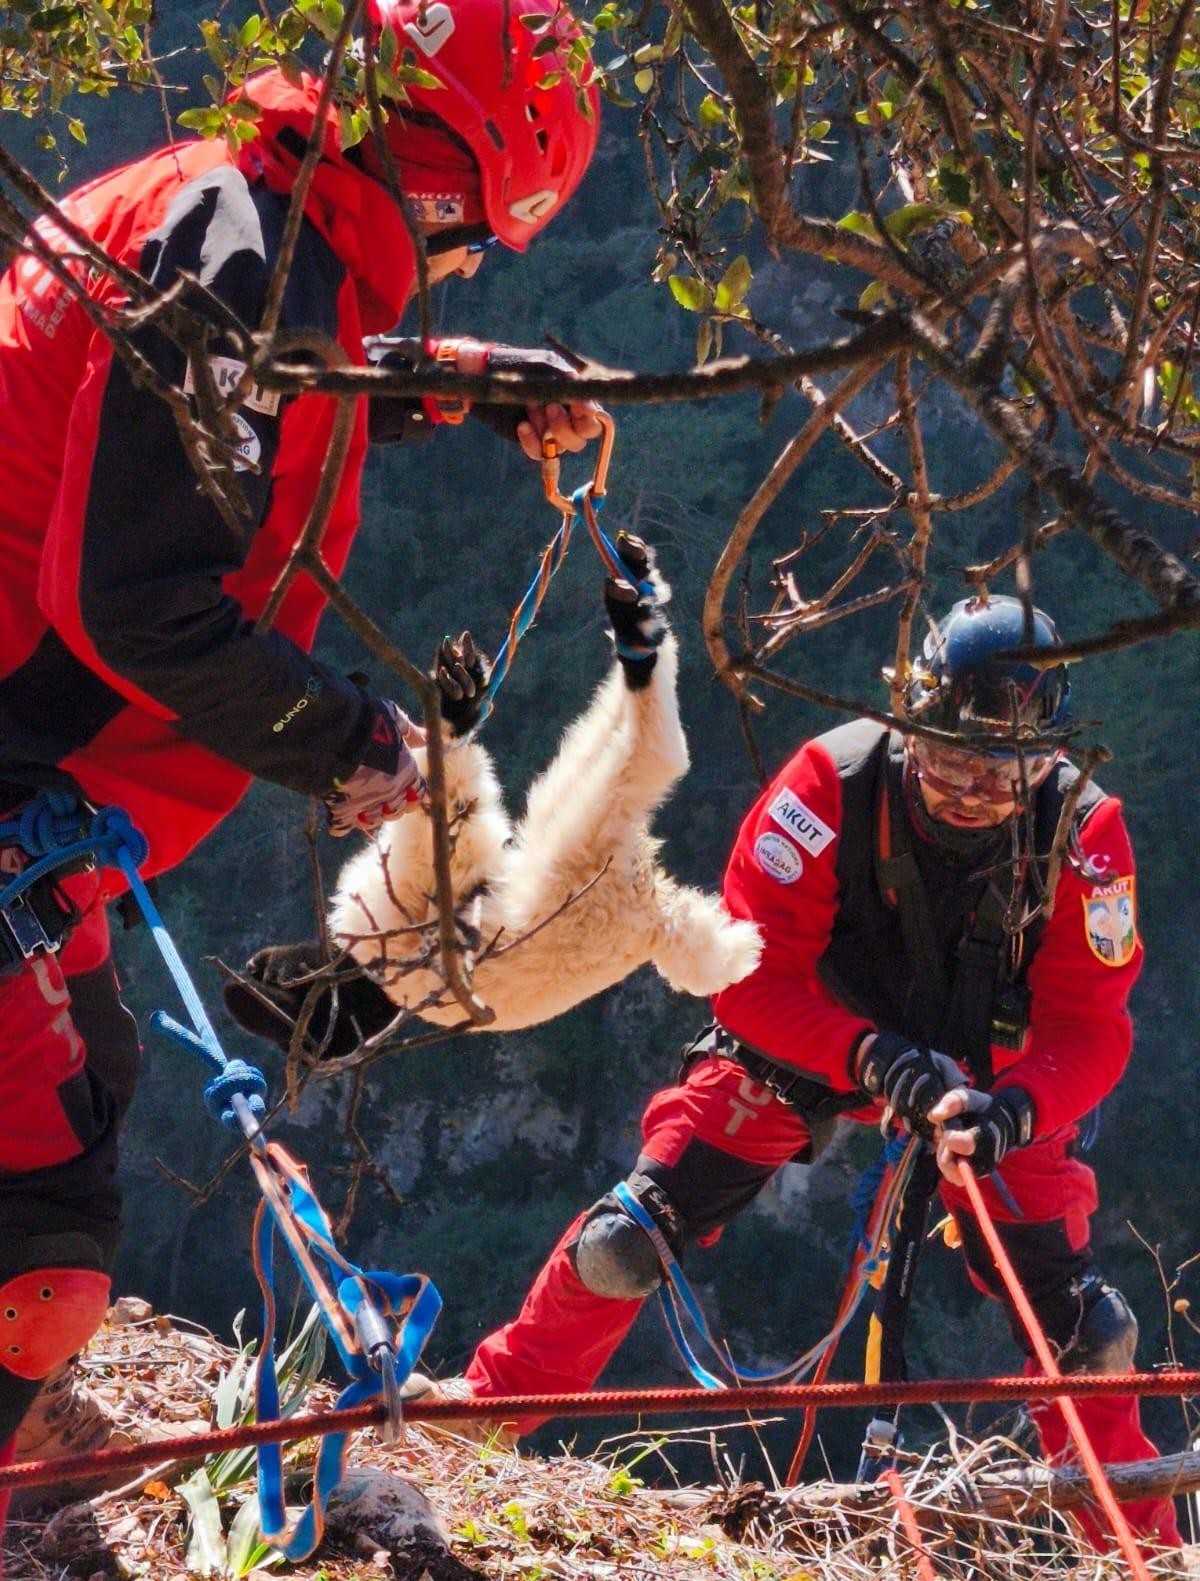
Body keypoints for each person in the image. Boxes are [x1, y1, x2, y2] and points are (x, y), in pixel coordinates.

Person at [0, 0, 600, 1521]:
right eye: (479, 246)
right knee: (44, 1258)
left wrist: (473, 378)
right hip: (19, 768)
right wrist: (346, 743)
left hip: (35, 786)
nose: (470, 268)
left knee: (88, 1092)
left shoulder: (245, 219)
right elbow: (133, 596)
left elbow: (280, 396)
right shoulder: (234, 241)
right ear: (462, 185)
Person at [410, 595, 1181, 1554]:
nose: (975, 791)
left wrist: (1018, 1114)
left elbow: (1091, 1026)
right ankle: (481, 1413)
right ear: (907, 725)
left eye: (1005, 769)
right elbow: (745, 972)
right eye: (948, 758)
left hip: (990, 1082)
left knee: (1085, 1332)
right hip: (818, 1039)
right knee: (626, 1238)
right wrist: (870, 1055)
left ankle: (1145, 1549)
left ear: (1050, 757)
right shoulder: (830, 784)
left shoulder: (1084, 833)